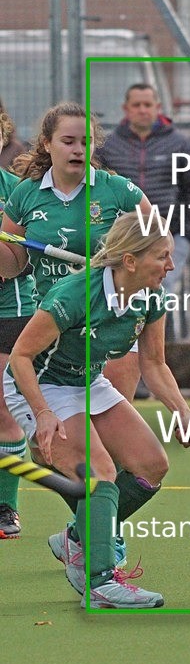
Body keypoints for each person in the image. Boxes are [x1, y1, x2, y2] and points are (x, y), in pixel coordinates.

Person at [4, 211, 190, 608]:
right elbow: (21, 357)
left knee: (151, 465)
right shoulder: (74, 295)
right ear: (130, 260)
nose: (170, 265)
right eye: (161, 256)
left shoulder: (151, 298)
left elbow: (154, 364)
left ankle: (78, 536)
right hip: (40, 383)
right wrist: (42, 413)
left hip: (89, 381)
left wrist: (181, 409)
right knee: (99, 474)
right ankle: (99, 582)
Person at [0, 102, 154, 561]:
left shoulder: (117, 191)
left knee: (131, 458)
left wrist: (117, 263)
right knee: (82, 458)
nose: (78, 149)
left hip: (109, 325)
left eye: (86, 142)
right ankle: (97, 547)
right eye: (68, 141)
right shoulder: (26, 195)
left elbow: (153, 242)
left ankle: (83, 534)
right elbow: (11, 265)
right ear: (47, 145)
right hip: (54, 331)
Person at [98, 82, 190, 339]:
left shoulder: (180, 145)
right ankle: (122, 343)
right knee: (118, 287)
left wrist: (187, 233)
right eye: (137, 105)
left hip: (171, 234)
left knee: (161, 284)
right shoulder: (109, 147)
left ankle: (164, 345)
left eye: (148, 104)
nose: (143, 110)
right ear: (126, 109)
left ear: (158, 107)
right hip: (124, 238)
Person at [0, 108, 36, 538]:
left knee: (4, 408)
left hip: (8, 309)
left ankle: (5, 506)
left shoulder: (17, 192)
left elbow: (21, 262)